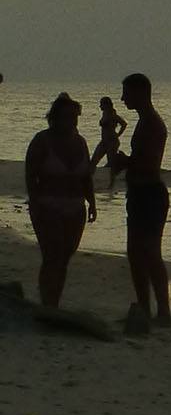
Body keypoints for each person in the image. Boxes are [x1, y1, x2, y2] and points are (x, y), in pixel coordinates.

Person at [24, 93, 96, 309]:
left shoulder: (80, 142)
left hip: (76, 208)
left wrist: (92, 202)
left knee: (64, 258)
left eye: (74, 118)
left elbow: (85, 177)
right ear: (54, 118)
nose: (71, 122)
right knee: (51, 256)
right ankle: (48, 303)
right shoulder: (41, 141)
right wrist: (35, 204)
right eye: (66, 117)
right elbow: (30, 175)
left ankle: (54, 301)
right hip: (48, 206)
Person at [121, 71, 170, 328]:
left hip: (150, 194)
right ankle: (144, 308)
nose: (122, 98)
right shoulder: (143, 122)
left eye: (126, 92)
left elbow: (149, 164)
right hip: (139, 193)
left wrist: (125, 162)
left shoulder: (152, 123)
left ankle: (163, 312)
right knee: (135, 254)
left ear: (140, 92)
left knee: (150, 253)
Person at [92, 95, 127, 185]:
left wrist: (118, 134)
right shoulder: (104, 114)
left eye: (101, 104)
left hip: (112, 142)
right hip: (104, 141)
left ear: (106, 105)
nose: (100, 106)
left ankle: (112, 183)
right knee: (93, 161)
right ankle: (89, 180)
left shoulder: (113, 115)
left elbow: (124, 124)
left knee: (111, 164)